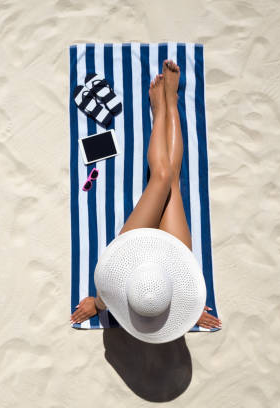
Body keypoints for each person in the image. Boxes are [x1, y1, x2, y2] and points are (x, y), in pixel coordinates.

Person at [70, 60, 221, 330]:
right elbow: (190, 298)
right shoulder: (164, 295)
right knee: (170, 180)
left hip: (133, 250)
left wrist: (94, 303)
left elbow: (101, 301)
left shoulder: (110, 290)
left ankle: (160, 111)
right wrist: (192, 312)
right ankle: (170, 103)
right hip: (170, 264)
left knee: (161, 177)